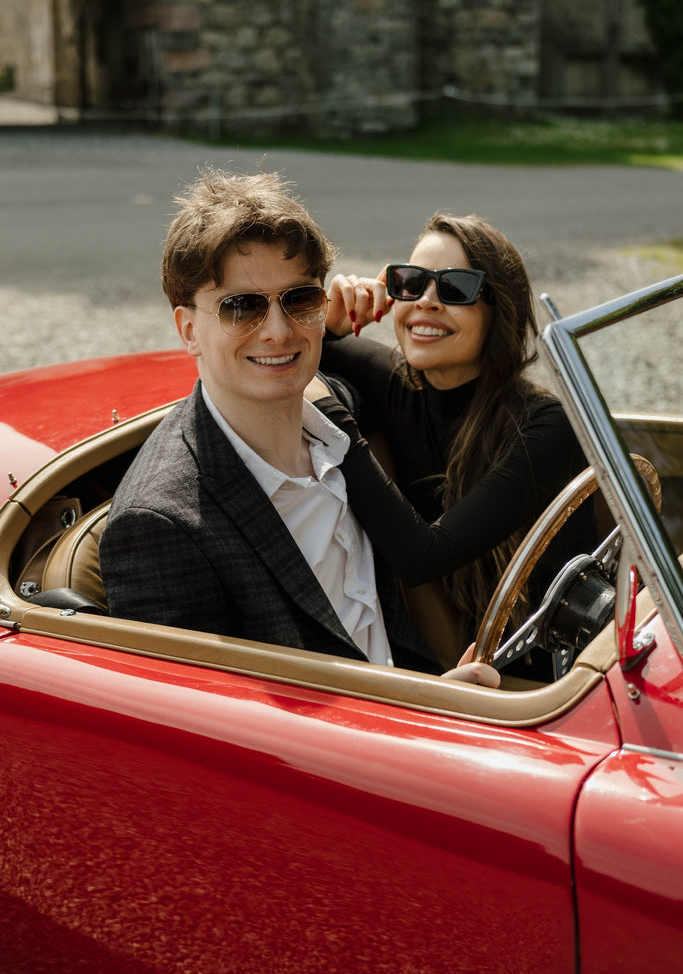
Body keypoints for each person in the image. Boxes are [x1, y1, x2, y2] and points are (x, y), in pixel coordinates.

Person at [99, 170, 498, 686]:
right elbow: (206, 741)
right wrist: (430, 716)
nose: (278, 330)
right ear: (188, 329)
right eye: (241, 306)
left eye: (299, 299)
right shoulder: (159, 525)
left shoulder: (345, 412)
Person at [318, 213, 599, 670]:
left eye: (456, 288)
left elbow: (426, 557)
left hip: (559, 682)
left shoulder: (546, 425)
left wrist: (336, 429)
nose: (426, 302)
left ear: (498, 311)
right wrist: (332, 316)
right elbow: (301, 350)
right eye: (410, 283)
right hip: (466, 671)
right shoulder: (396, 383)